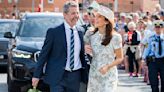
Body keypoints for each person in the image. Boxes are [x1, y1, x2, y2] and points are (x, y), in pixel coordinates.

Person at [32, 1, 88, 92]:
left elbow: (82, 55)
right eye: (73, 13)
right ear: (65, 15)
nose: (76, 16)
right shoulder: (54, 32)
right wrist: (36, 75)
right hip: (57, 77)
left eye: (77, 13)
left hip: (75, 77)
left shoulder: (81, 32)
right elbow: (43, 55)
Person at [84, 3, 123, 92]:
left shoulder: (116, 37)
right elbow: (79, 46)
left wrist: (108, 67)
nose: (95, 19)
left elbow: (120, 58)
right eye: (95, 16)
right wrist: (84, 47)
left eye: (99, 17)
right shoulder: (90, 34)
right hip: (94, 74)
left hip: (109, 74)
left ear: (106, 21)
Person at [142, 19, 164, 92]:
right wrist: (143, 59)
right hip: (153, 61)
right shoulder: (150, 38)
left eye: (160, 27)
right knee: (153, 80)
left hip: (163, 61)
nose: (158, 29)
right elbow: (147, 49)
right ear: (154, 28)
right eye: (156, 27)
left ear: (162, 28)